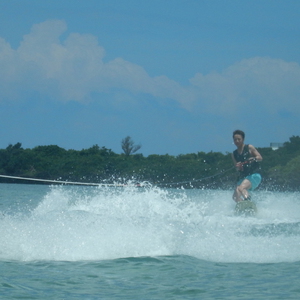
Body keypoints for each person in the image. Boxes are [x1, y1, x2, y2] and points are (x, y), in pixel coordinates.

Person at [232, 130, 263, 202]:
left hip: (254, 175)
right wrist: (238, 166)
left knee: (241, 188)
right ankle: (242, 204)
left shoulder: (249, 147)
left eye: (239, 139)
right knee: (235, 197)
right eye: (235, 139)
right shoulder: (234, 154)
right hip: (244, 178)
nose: (237, 141)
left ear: (243, 139)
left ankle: (248, 200)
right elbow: (236, 168)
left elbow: (260, 158)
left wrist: (254, 158)